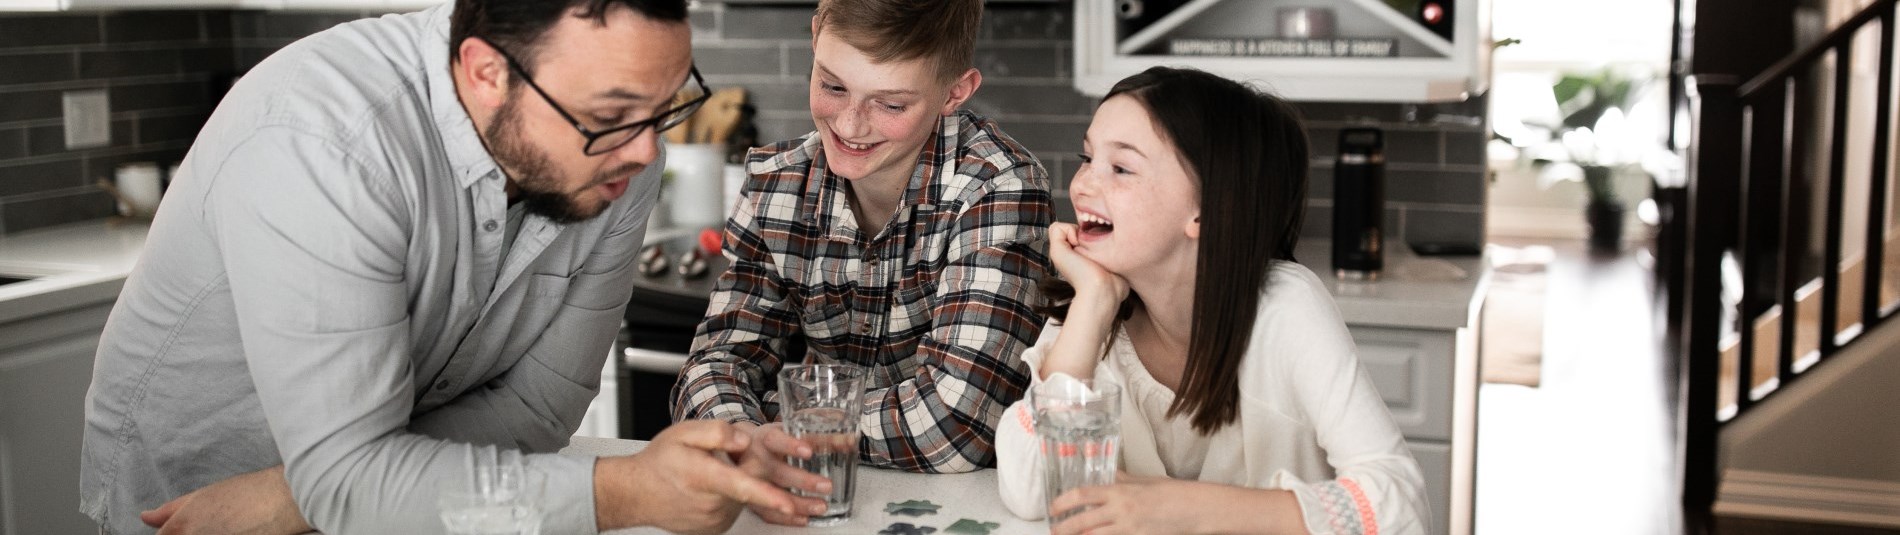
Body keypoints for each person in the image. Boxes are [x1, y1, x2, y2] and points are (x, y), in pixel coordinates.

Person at [78, 1, 826, 533]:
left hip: (373, 505)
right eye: (610, 116)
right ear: (484, 73)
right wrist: (625, 490)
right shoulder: (325, 142)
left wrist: (308, 493)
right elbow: (348, 482)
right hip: (197, 505)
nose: (644, 152)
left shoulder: (624, 156)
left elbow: (539, 409)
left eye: (663, 107)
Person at [993, 66, 1430, 535]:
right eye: (1087, 157)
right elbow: (1030, 490)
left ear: (1205, 209)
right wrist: (1093, 303)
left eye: (1121, 168)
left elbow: (1401, 506)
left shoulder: (1286, 308)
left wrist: (1178, 508)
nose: (1081, 186)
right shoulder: (1094, 300)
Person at [670, 0, 1053, 524]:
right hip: (822, 501)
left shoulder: (999, 189)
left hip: (964, 515)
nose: (849, 124)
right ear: (814, 38)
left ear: (955, 92)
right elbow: (713, 367)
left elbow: (952, 424)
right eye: (832, 86)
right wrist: (746, 440)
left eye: (890, 105)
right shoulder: (776, 184)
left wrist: (783, 429)